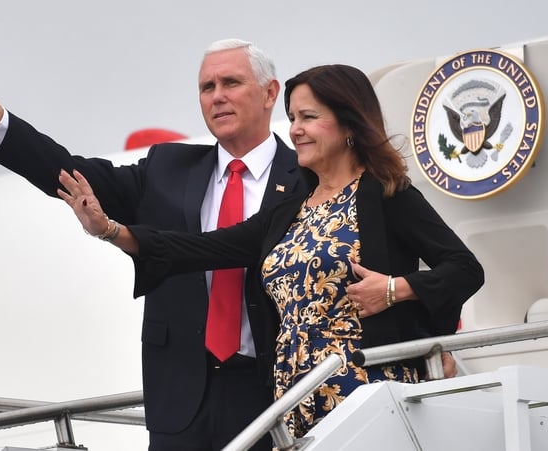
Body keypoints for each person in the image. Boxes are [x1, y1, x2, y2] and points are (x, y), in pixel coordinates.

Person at [0, 23, 308, 450]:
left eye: (231, 83)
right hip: (180, 399)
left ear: (270, 93)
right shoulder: (168, 168)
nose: (216, 96)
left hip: (274, 392)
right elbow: (68, 172)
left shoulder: (308, 178)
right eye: (207, 87)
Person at [57, 64, 485, 438]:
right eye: (293, 117)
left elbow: (464, 268)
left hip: (368, 395)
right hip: (295, 405)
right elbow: (197, 248)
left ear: (349, 125)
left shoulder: (386, 194)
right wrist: (109, 230)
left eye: (309, 117)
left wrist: (394, 289)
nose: (294, 129)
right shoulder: (288, 211)